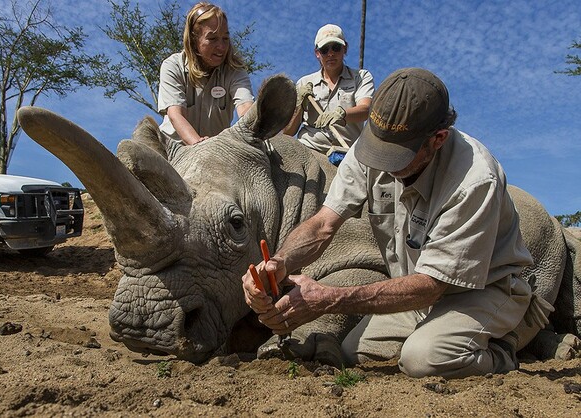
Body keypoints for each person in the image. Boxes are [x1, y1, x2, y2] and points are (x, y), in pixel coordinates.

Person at [243, 68, 553, 378]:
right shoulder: (376, 142)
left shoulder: (474, 180)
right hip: (417, 292)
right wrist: (280, 263)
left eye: (395, 156)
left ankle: (506, 345)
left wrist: (327, 299)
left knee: (423, 360)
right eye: (378, 148)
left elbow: (433, 286)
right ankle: (441, 333)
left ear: (438, 139)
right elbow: (323, 224)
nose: (381, 162)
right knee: (354, 351)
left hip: (480, 291)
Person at [157, 2, 254, 145]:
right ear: (194, 39)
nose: (221, 47)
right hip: (173, 149)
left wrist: (258, 125)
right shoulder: (173, 65)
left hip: (215, 153)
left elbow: (246, 108)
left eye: (225, 38)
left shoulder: (235, 71)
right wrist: (198, 144)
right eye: (212, 39)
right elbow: (176, 115)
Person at [284, 24, 374, 158]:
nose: (330, 54)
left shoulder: (361, 77)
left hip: (346, 152)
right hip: (308, 150)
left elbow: (366, 110)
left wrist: (341, 115)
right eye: (325, 49)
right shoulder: (303, 83)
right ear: (317, 53)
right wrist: (298, 105)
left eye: (336, 48)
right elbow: (287, 132)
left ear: (345, 49)